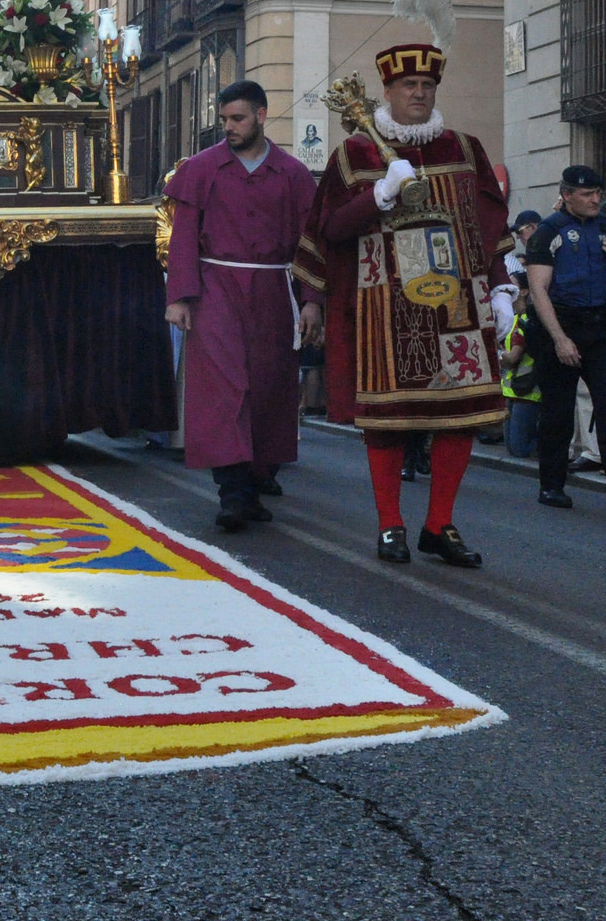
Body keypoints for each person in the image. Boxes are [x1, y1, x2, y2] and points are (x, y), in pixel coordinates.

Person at [295, 38, 509, 566]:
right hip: (382, 307)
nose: (419, 92)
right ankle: (391, 524)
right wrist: (379, 196)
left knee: (460, 415)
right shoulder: (355, 154)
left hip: (458, 303)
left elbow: (489, 224)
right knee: (388, 419)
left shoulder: (464, 147)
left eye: (427, 85)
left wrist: (502, 286)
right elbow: (329, 229)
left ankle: (439, 524)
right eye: (408, 85)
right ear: (387, 91)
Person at [151, 82, 320, 530]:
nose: (228, 127)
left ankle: (257, 478)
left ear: (262, 116)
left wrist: (312, 302)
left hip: (272, 291)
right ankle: (232, 494)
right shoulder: (203, 169)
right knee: (226, 387)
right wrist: (179, 298)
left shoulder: (293, 175)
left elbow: (310, 246)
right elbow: (183, 236)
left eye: (238, 119)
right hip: (216, 288)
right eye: (224, 119)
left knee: (268, 387)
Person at [524, 165, 606, 516]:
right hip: (562, 321)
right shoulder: (548, 232)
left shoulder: (605, 227)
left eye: (598, 193)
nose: (595, 200)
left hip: (601, 324)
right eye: (587, 195)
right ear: (567, 195)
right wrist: (559, 339)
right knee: (558, 411)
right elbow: (538, 290)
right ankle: (552, 485)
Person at [499, 305, 540, 459]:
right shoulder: (516, 317)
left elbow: (512, 358)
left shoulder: (528, 319)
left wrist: (501, 355)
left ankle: (547, 446)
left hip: (528, 389)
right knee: (511, 448)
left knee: (519, 449)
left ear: (524, 291)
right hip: (513, 387)